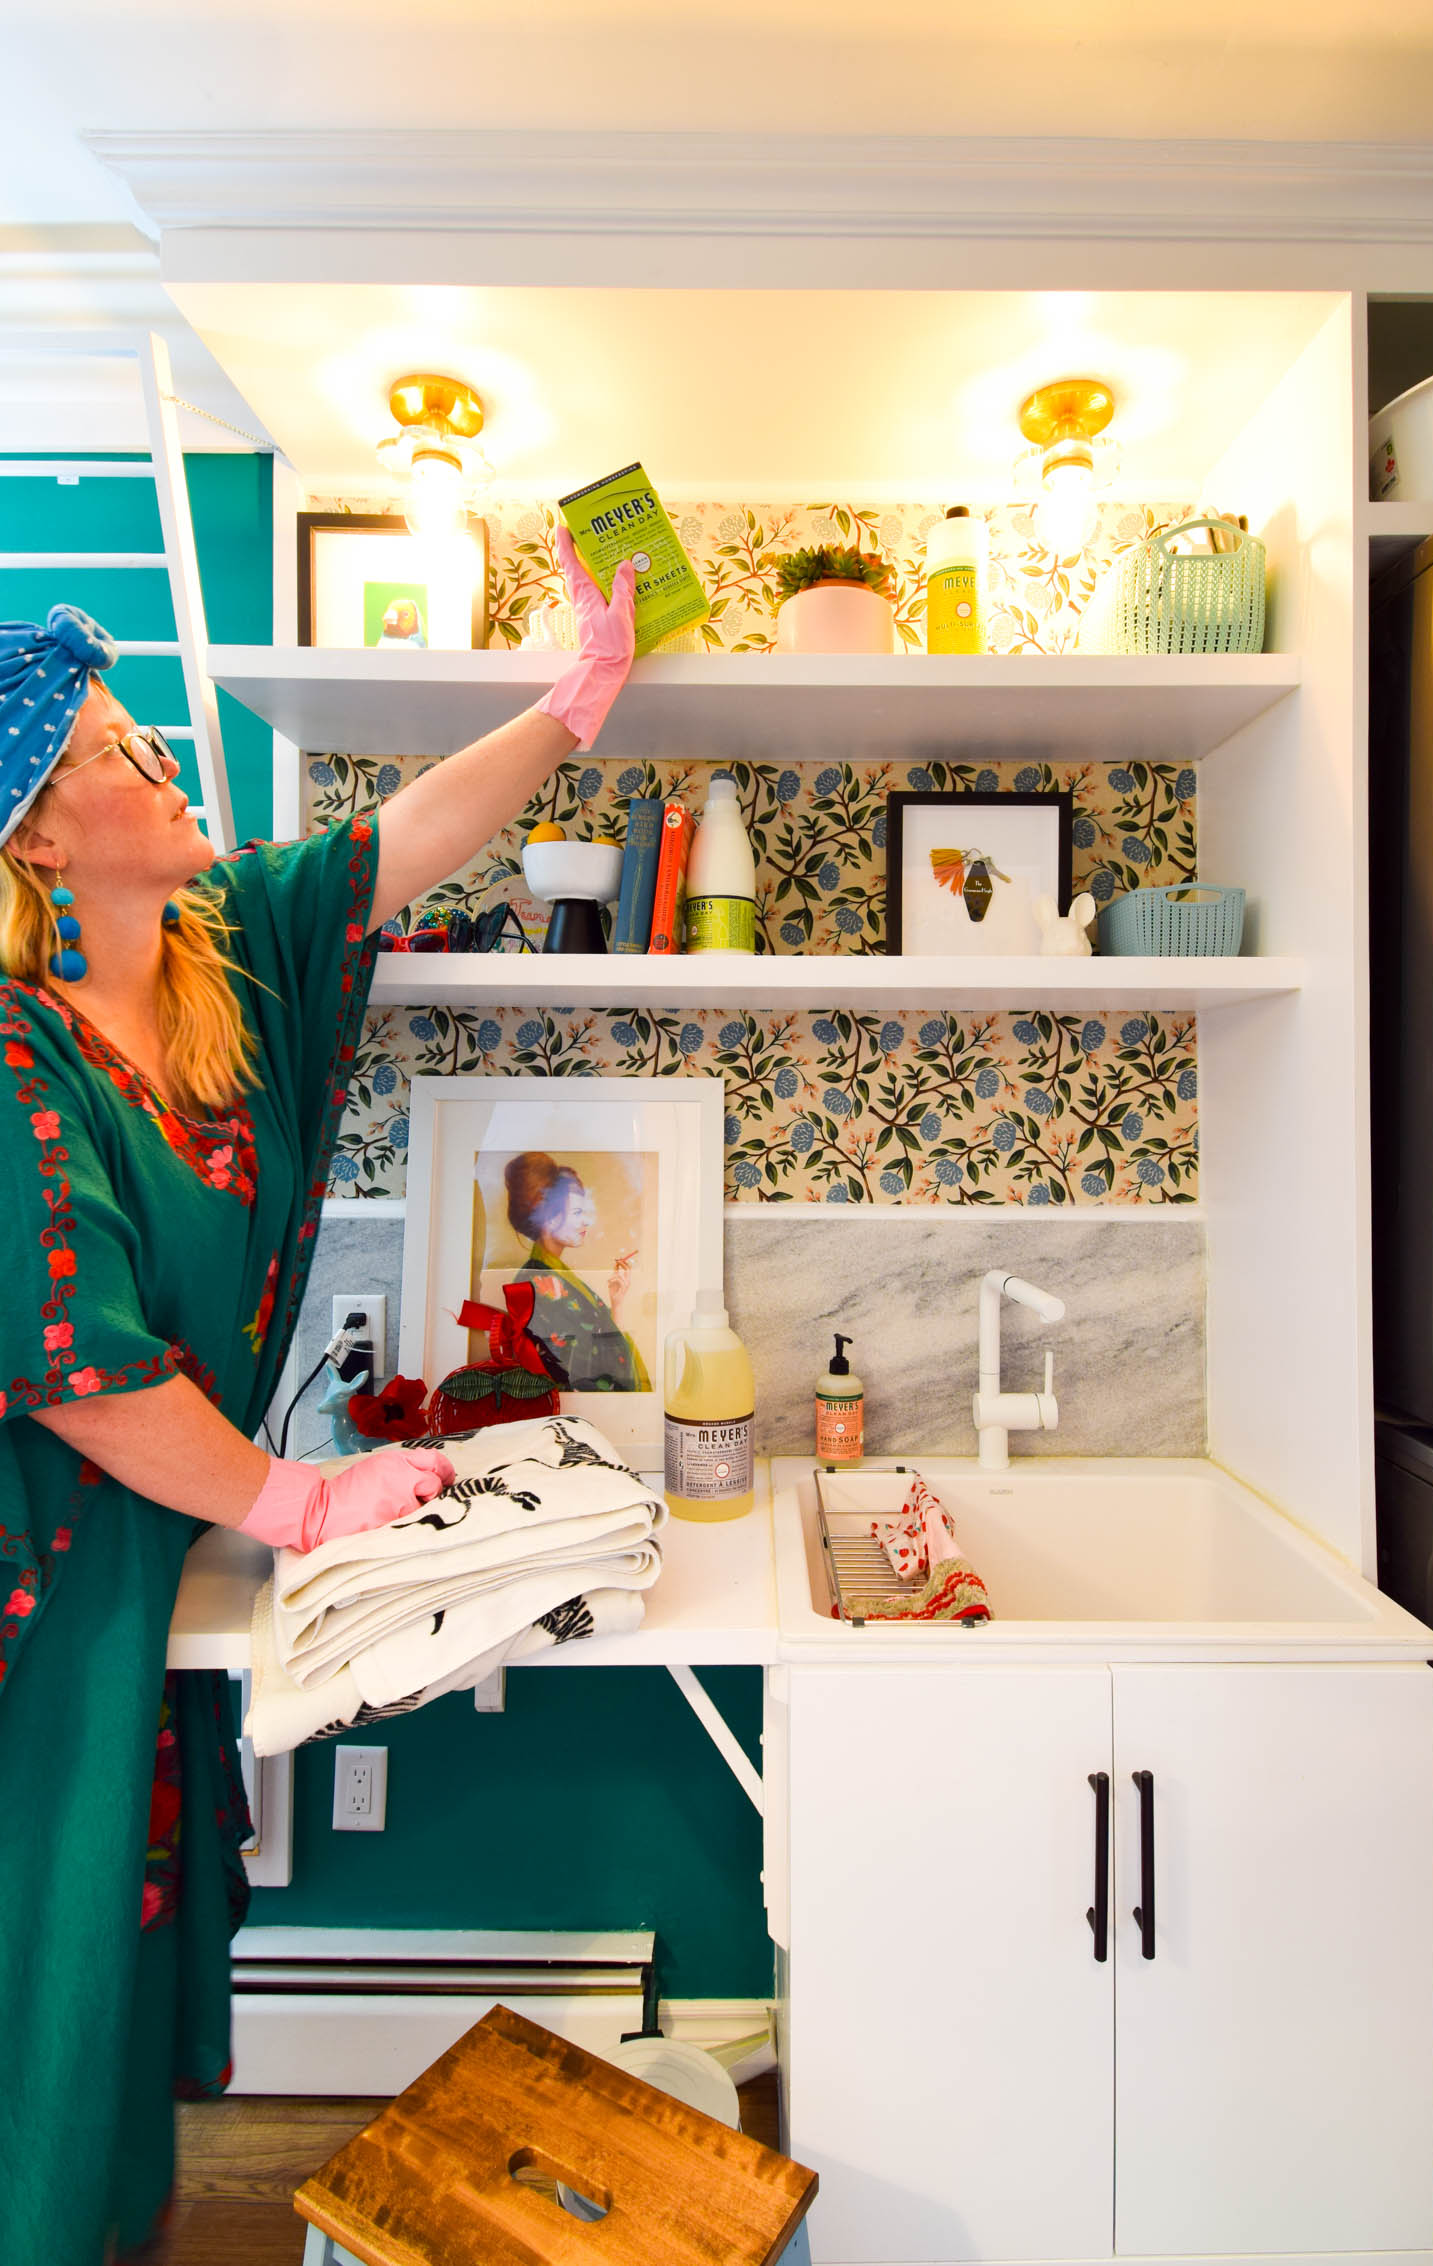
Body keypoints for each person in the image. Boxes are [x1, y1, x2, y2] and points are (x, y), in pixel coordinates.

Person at [0, 533, 635, 2266]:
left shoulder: (218, 960)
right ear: (36, 836)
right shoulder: (8, 1045)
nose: (169, 763)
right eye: (127, 754)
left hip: (136, 1559)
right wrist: (290, 1501)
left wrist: (573, 700)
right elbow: (73, 1362)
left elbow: (391, 843)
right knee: (32, 1969)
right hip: (33, 1583)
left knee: (109, 1985)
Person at [501, 1151, 650, 1392]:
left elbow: (598, 1349)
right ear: (547, 1218)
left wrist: (617, 1303)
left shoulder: (554, 1275)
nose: (586, 1222)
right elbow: (584, 1370)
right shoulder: (540, 1284)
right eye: (578, 1213)